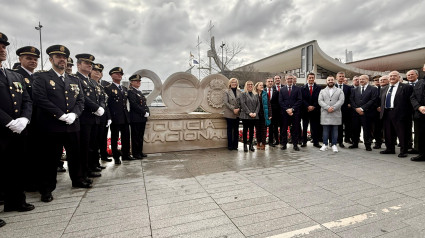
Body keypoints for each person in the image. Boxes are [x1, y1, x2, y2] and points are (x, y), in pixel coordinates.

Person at [33, 44, 90, 204]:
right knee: (50, 159)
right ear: (51, 59)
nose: (62, 60)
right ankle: (47, 189)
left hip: (72, 124)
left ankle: (77, 180)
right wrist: (60, 115)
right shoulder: (41, 78)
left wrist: (74, 114)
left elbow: (81, 100)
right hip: (52, 126)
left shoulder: (74, 80)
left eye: (64, 57)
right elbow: (40, 99)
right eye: (58, 57)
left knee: (75, 155)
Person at [0, 32, 34, 219]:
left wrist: (24, 119)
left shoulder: (14, 76)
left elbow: (27, 100)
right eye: (0, 46)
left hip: (19, 129)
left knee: (17, 167)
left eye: (4, 46)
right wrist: (8, 121)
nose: (2, 49)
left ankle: (16, 201)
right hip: (2, 129)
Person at [15, 46, 42, 190]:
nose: (33, 61)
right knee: (25, 154)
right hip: (23, 121)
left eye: (35, 59)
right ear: (20, 59)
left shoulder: (37, 77)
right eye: (28, 58)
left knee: (35, 152)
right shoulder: (16, 75)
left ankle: (34, 180)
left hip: (38, 121)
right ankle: (27, 183)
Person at [75, 54, 103, 179]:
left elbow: (100, 97)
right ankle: (83, 172)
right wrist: (96, 107)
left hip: (94, 118)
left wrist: (100, 107)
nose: (89, 65)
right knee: (83, 147)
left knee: (92, 146)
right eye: (86, 63)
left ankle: (90, 168)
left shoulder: (91, 81)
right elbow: (81, 97)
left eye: (90, 64)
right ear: (78, 64)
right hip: (84, 118)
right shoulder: (75, 79)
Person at [379, 71, 413, 158]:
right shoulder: (384, 88)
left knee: (402, 133)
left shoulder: (406, 87)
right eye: (390, 76)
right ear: (388, 78)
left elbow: (410, 102)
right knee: (388, 132)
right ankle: (390, 149)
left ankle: (403, 150)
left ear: (399, 77)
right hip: (386, 113)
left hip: (400, 114)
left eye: (394, 76)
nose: (392, 78)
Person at [105, 67, 133, 164]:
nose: (119, 75)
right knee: (114, 138)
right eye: (117, 73)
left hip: (125, 117)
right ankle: (116, 157)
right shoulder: (108, 88)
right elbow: (106, 104)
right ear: (112, 75)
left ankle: (126, 155)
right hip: (115, 117)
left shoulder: (124, 89)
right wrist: (109, 117)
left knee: (126, 137)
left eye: (120, 74)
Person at [349, 75, 378, 151]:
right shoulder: (354, 90)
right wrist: (356, 109)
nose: (361, 80)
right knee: (355, 129)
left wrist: (362, 109)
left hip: (367, 113)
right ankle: (355, 143)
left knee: (367, 129)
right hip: (356, 113)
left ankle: (367, 145)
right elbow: (351, 100)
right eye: (360, 79)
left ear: (367, 80)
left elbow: (373, 100)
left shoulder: (373, 89)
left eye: (363, 79)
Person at [89, 63, 110, 168]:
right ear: (90, 72)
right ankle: (92, 165)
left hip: (102, 117)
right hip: (92, 116)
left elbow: (105, 103)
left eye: (99, 71)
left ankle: (96, 163)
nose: (97, 72)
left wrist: (108, 117)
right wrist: (97, 108)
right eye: (95, 70)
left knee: (97, 142)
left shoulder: (100, 86)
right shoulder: (88, 83)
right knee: (92, 143)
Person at [318, 76, 345, 152]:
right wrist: (327, 107)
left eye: (332, 80)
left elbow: (341, 100)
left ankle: (334, 145)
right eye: (329, 80)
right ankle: (325, 144)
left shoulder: (339, 91)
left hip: (335, 113)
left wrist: (333, 107)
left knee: (335, 130)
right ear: (326, 81)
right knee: (325, 130)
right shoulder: (322, 91)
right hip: (325, 113)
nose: (330, 81)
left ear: (334, 81)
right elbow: (320, 101)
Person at [128, 74, 150, 159]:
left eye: (139, 81)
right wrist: (144, 112)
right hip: (135, 118)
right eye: (136, 81)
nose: (138, 82)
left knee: (140, 136)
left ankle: (140, 151)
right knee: (135, 136)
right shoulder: (131, 92)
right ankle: (135, 153)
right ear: (132, 82)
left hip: (142, 118)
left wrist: (148, 112)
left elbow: (144, 104)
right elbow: (134, 105)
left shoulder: (139, 92)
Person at [278, 73, 302, 151]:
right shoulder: (282, 89)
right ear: (285, 80)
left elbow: (299, 100)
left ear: (293, 80)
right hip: (284, 113)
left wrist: (292, 109)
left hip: (295, 113)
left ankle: (295, 144)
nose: (290, 80)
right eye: (288, 79)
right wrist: (287, 110)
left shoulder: (298, 89)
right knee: (284, 129)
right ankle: (284, 144)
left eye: (291, 79)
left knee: (295, 129)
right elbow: (280, 101)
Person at [301, 73, 321, 148]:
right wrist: (307, 106)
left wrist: (313, 106)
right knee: (305, 127)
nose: (311, 79)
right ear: (307, 78)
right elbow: (302, 99)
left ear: (314, 78)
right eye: (310, 78)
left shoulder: (318, 88)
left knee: (315, 127)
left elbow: (319, 98)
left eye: (312, 78)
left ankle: (316, 142)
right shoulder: (302, 88)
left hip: (315, 111)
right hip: (305, 111)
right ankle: (304, 142)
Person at [239, 81, 259, 152]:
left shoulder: (256, 94)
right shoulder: (243, 94)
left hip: (254, 116)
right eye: (248, 84)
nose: (250, 85)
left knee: (251, 130)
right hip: (245, 115)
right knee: (245, 130)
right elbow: (243, 104)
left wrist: (255, 113)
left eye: (251, 84)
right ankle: (245, 145)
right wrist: (249, 113)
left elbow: (258, 105)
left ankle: (251, 144)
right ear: (246, 86)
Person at [223, 77, 241, 150]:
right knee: (230, 130)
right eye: (232, 82)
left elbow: (242, 102)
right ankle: (230, 146)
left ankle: (235, 146)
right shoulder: (226, 91)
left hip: (237, 113)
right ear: (230, 84)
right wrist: (233, 109)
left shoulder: (240, 92)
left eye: (235, 82)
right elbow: (225, 102)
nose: (234, 84)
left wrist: (238, 109)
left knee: (236, 130)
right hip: (229, 113)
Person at [410, 73, 425, 161]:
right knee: (421, 135)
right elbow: (413, 97)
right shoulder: (419, 83)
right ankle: (422, 154)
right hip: (421, 113)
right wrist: (419, 107)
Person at [335, 72, 352, 147]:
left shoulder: (348, 87)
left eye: (343, 76)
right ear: (337, 77)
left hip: (345, 110)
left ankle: (347, 139)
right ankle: (339, 141)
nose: (341, 77)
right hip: (335, 110)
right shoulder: (332, 86)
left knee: (347, 125)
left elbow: (350, 97)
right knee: (339, 126)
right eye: (340, 76)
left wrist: (349, 103)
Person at [255, 81, 272, 150]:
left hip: (264, 114)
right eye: (260, 85)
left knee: (264, 130)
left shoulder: (265, 94)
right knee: (257, 130)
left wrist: (270, 114)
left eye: (262, 85)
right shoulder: (254, 94)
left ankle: (264, 144)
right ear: (257, 87)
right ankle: (258, 143)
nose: (262, 86)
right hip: (256, 115)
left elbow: (269, 104)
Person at [406, 69, 420, 154]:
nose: (410, 76)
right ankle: (408, 145)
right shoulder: (403, 86)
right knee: (407, 128)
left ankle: (417, 147)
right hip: (407, 110)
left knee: (418, 129)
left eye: (412, 74)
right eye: (408, 75)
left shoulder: (422, 83)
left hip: (419, 110)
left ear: (417, 75)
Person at [265, 77, 279, 147]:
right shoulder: (263, 91)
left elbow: (278, 102)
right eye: (269, 81)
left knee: (274, 127)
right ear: (266, 83)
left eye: (271, 81)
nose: (270, 82)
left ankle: (274, 141)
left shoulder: (276, 91)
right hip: (265, 112)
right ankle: (263, 141)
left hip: (274, 113)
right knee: (265, 127)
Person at [274, 75, 284, 144]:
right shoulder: (272, 88)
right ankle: (276, 140)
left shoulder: (284, 87)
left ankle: (282, 140)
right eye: (276, 78)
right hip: (275, 111)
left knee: (283, 126)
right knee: (275, 127)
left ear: (280, 79)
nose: (277, 79)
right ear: (274, 80)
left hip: (283, 110)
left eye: (278, 78)